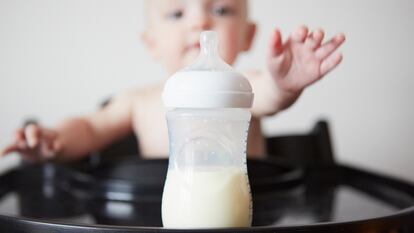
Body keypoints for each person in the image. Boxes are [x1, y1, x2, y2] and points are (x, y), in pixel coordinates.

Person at [1, 0, 345, 162]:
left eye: (221, 10)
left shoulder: (242, 85)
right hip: (159, 216)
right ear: (151, 42)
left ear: (248, 36)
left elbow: (269, 96)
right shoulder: (140, 101)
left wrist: (284, 83)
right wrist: (54, 139)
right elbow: (92, 129)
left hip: (248, 215)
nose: (199, 20)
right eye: (177, 13)